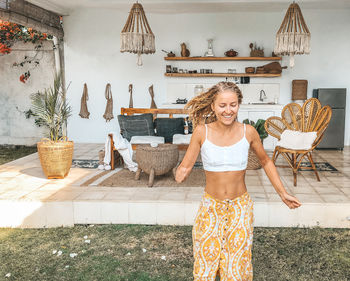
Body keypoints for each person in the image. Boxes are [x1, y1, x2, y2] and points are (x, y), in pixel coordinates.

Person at [175, 81, 301, 281]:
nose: (228, 110)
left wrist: (282, 193)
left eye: (232, 105)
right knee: (205, 263)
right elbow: (185, 166)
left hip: (240, 208)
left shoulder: (248, 132)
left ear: (239, 104)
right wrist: (181, 171)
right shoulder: (201, 132)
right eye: (222, 105)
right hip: (211, 208)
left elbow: (266, 161)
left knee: (236, 266)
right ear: (213, 106)